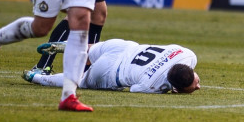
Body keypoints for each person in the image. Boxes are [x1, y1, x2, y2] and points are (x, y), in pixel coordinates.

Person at [24, 39, 200, 94]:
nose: (199, 86)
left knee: (90, 50)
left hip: (125, 46)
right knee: (80, 80)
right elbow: (134, 89)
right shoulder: (151, 84)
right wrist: (168, 88)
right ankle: (36, 77)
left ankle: (66, 45)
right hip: (111, 71)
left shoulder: (188, 55)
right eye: (195, 84)